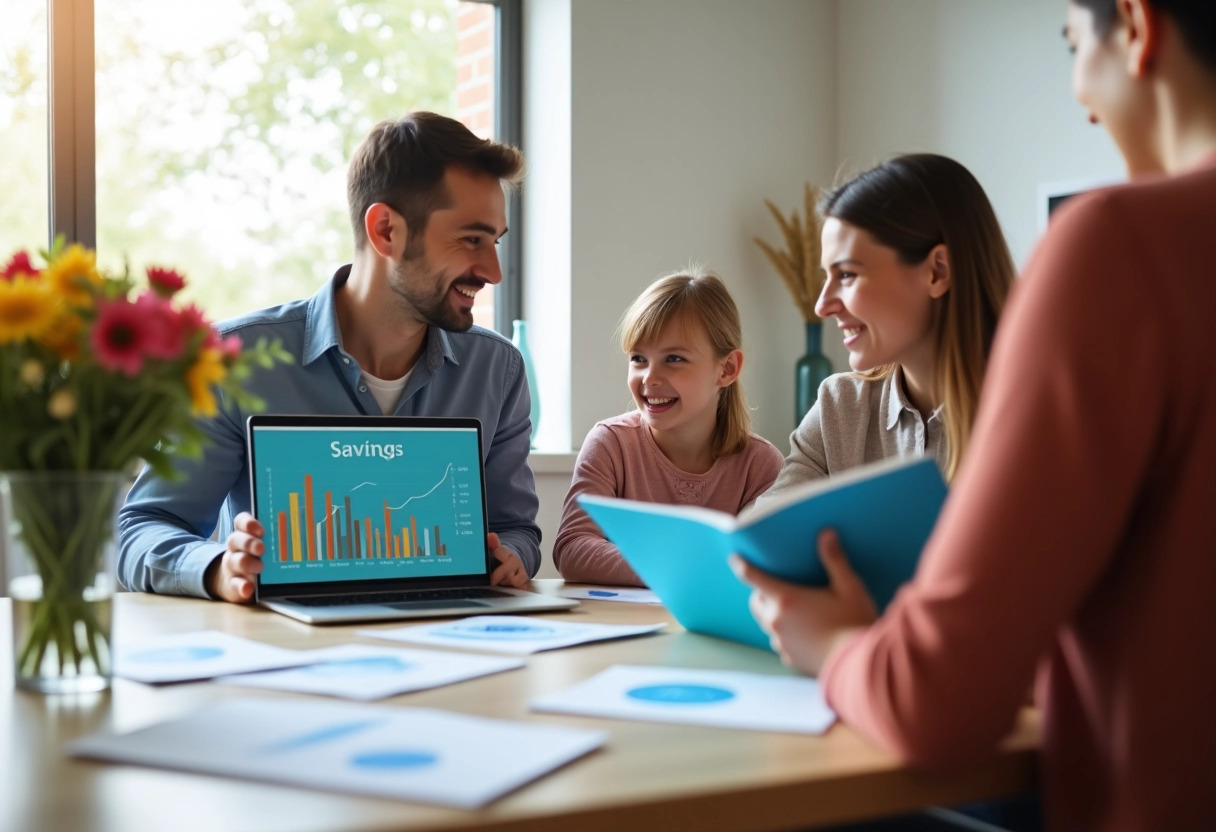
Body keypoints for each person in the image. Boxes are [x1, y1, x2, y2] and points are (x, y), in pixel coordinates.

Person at [735, 1, 1216, 829]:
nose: (1078, 93)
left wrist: (832, 647)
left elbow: (937, 702)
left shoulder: (1117, 247)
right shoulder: (847, 401)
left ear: (1134, 27)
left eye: (1072, 45)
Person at [118, 111, 541, 602]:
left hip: (458, 645)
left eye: (495, 241)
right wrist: (218, 568)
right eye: (471, 239)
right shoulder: (232, 361)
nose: (493, 271)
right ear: (385, 230)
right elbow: (144, 528)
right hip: (288, 657)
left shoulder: (499, 371)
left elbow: (517, 531)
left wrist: (510, 556)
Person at [758, 153, 1014, 506]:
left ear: (937, 272)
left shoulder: (1033, 417)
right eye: (825, 277)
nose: (822, 305)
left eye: (846, 274)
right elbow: (766, 536)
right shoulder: (839, 407)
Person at [553, 269, 783, 586]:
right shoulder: (610, 445)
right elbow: (573, 550)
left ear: (727, 369)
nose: (649, 378)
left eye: (673, 358)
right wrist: (683, 569)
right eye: (638, 358)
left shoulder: (760, 465)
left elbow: (760, 564)